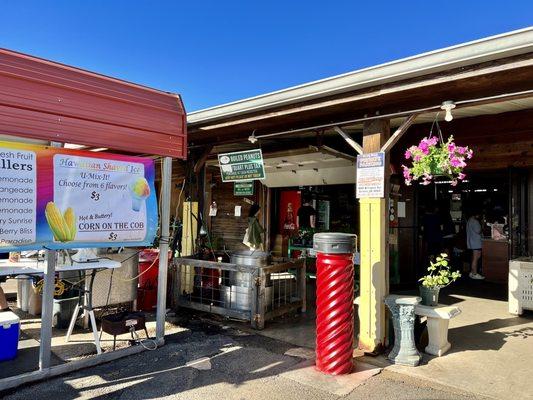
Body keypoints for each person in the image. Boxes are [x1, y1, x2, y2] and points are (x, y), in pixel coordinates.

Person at [466, 212, 485, 280]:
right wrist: (482, 225)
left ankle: (472, 272)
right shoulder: (475, 221)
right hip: (476, 242)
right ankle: (474, 273)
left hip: (472, 241)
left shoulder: (469, 220)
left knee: (476, 257)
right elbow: (478, 231)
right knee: (475, 258)